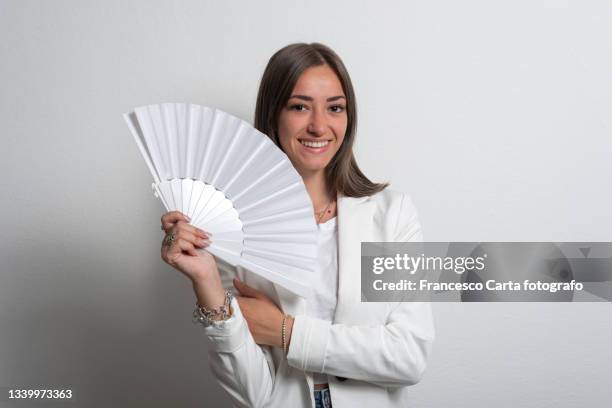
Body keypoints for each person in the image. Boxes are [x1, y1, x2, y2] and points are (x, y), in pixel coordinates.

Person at [159, 43, 434, 408]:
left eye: (335, 107)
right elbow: (254, 394)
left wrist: (287, 333)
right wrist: (207, 282)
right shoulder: (231, 228)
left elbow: (408, 357)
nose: (319, 125)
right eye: (300, 106)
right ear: (274, 114)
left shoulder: (392, 214)